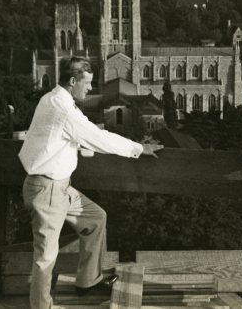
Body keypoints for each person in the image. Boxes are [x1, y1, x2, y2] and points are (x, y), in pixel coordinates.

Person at [19, 57, 163, 309]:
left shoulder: (53, 99)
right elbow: (98, 137)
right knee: (46, 257)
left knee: (95, 218)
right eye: (87, 83)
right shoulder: (63, 109)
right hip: (48, 189)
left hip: (58, 187)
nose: (90, 88)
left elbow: (62, 137)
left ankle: (88, 280)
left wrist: (80, 146)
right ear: (73, 81)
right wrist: (139, 148)